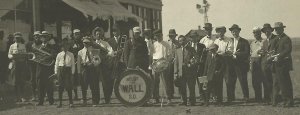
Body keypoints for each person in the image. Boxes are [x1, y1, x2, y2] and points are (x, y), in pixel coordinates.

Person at [272, 22, 293, 107]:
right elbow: (274, 50)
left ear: (282, 29)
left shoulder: (286, 38)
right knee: (277, 83)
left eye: (278, 29)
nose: (277, 30)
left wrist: (279, 57)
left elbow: (287, 50)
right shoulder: (277, 39)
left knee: (285, 83)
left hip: (283, 64)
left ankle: (288, 101)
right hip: (276, 64)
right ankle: (276, 101)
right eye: (276, 29)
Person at [228, 24, 250, 103]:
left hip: (241, 65)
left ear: (239, 31)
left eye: (236, 31)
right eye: (233, 32)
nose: (234, 33)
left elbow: (246, 53)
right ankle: (231, 97)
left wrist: (236, 54)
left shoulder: (244, 41)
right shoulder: (229, 41)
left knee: (243, 81)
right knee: (231, 81)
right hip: (231, 64)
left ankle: (246, 97)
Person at [93, 27, 115, 104]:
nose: (98, 35)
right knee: (95, 83)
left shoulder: (105, 43)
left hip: (103, 65)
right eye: (97, 34)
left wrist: (106, 55)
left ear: (102, 35)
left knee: (105, 83)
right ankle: (96, 100)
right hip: (94, 65)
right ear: (95, 35)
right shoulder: (92, 44)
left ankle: (107, 99)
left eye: (99, 34)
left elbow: (111, 52)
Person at [77, 37, 101, 106]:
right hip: (84, 70)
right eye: (84, 43)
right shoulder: (80, 52)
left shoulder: (93, 50)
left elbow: (98, 60)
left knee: (93, 86)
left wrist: (93, 64)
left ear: (89, 43)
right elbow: (78, 63)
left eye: (87, 43)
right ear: (83, 43)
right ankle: (84, 100)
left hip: (92, 69)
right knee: (84, 86)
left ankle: (94, 101)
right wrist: (79, 72)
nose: (86, 44)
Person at [174, 35, 196, 106]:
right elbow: (176, 63)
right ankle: (184, 101)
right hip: (181, 71)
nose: (182, 42)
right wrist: (176, 72)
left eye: (183, 40)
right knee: (182, 87)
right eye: (180, 41)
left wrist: (191, 63)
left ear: (185, 40)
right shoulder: (177, 50)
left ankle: (192, 101)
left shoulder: (191, 49)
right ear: (179, 42)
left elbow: (196, 58)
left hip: (190, 71)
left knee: (191, 87)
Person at [36, 31, 57, 106]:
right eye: (42, 37)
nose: (44, 38)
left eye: (45, 37)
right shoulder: (38, 47)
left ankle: (51, 101)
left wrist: (46, 57)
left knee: (49, 85)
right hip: (40, 68)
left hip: (48, 68)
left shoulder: (51, 46)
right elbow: (35, 56)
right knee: (40, 85)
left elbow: (54, 55)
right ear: (41, 38)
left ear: (48, 38)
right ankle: (40, 101)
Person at [151, 29, 172, 104]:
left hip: (163, 63)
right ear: (155, 37)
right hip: (156, 64)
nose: (159, 37)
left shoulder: (166, 44)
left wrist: (166, 62)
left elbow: (170, 55)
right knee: (155, 82)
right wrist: (153, 63)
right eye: (157, 36)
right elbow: (152, 55)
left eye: (160, 35)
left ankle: (168, 98)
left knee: (165, 82)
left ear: (162, 35)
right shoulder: (154, 44)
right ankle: (155, 97)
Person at [213, 26, 233, 105]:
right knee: (218, 81)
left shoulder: (229, 40)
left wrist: (221, 52)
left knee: (228, 81)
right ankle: (219, 99)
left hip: (227, 61)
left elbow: (230, 51)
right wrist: (219, 52)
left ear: (224, 32)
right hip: (218, 62)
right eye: (218, 31)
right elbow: (214, 51)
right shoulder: (216, 41)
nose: (220, 33)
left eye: (222, 31)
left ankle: (229, 99)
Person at [7, 32, 28, 102]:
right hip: (15, 64)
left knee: (22, 80)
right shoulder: (12, 46)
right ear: (14, 39)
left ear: (20, 38)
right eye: (16, 38)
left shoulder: (23, 45)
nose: (17, 39)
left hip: (22, 64)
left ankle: (22, 96)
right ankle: (17, 97)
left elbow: (25, 54)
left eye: (19, 38)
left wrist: (22, 55)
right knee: (15, 81)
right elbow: (9, 55)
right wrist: (12, 56)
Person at [54, 39, 75, 108]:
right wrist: (56, 72)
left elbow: (73, 64)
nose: (65, 47)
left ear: (68, 46)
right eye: (63, 46)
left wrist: (72, 73)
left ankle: (71, 102)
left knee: (68, 87)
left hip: (68, 71)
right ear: (61, 47)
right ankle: (60, 102)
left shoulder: (71, 54)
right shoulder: (59, 54)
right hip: (60, 70)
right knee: (60, 87)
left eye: (66, 45)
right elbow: (56, 64)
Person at [260, 23, 278, 104]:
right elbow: (264, 52)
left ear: (271, 30)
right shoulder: (264, 41)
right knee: (268, 81)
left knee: (275, 82)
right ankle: (271, 98)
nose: (266, 32)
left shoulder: (276, 38)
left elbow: (278, 50)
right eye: (265, 31)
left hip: (274, 64)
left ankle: (275, 99)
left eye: (268, 30)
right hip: (266, 64)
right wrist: (261, 52)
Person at [250, 27, 268, 102]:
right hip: (254, 62)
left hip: (263, 60)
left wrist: (263, 53)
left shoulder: (264, 41)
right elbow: (251, 53)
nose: (255, 34)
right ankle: (258, 98)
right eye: (254, 33)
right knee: (255, 81)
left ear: (260, 33)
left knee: (265, 79)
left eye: (257, 32)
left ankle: (267, 98)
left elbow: (267, 51)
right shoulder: (252, 43)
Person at [27, 31, 43, 101]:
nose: (37, 37)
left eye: (38, 36)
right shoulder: (29, 44)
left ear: (40, 37)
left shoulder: (43, 44)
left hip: (40, 63)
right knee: (33, 79)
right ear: (34, 37)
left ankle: (41, 95)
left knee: (40, 79)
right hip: (32, 64)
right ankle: (34, 95)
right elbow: (27, 54)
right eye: (36, 36)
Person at [69, 29, 84, 100]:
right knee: (74, 79)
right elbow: (69, 52)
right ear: (73, 35)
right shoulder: (70, 43)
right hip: (74, 63)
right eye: (76, 34)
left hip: (82, 63)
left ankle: (84, 95)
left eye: (78, 34)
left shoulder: (83, 42)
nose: (77, 35)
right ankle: (76, 95)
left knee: (82, 79)